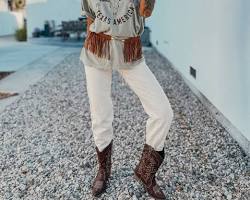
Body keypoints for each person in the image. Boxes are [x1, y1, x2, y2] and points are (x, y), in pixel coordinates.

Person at [79, 0, 174, 199]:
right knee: (100, 114)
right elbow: (90, 15)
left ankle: (146, 172)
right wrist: (91, 40)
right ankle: (103, 170)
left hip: (128, 48)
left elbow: (145, 12)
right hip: (97, 47)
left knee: (162, 112)